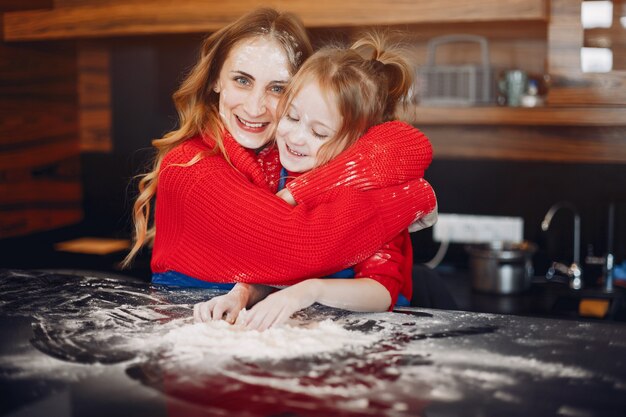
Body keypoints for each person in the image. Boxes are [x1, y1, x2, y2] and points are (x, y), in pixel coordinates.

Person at [123, 9, 437, 299]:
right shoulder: (188, 166)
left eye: (277, 89)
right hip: (191, 334)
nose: (255, 107)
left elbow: (407, 143)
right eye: (242, 80)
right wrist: (413, 198)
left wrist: (305, 188)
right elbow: (300, 246)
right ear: (215, 80)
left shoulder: (287, 153)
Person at [194, 32, 436, 330]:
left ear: (355, 143)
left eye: (319, 133)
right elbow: (273, 262)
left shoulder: (372, 191)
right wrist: (242, 293)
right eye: (292, 117)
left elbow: (381, 291)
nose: (295, 138)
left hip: (367, 337)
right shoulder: (272, 168)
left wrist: (308, 291)